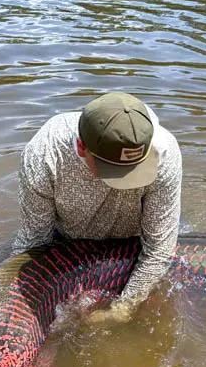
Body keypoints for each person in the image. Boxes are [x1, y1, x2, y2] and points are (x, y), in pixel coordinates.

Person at [13, 92, 182, 324]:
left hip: (131, 249)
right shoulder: (45, 154)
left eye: (135, 169)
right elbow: (34, 242)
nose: (128, 181)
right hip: (67, 244)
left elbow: (159, 248)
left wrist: (122, 309)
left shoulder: (164, 154)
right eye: (115, 172)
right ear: (82, 147)